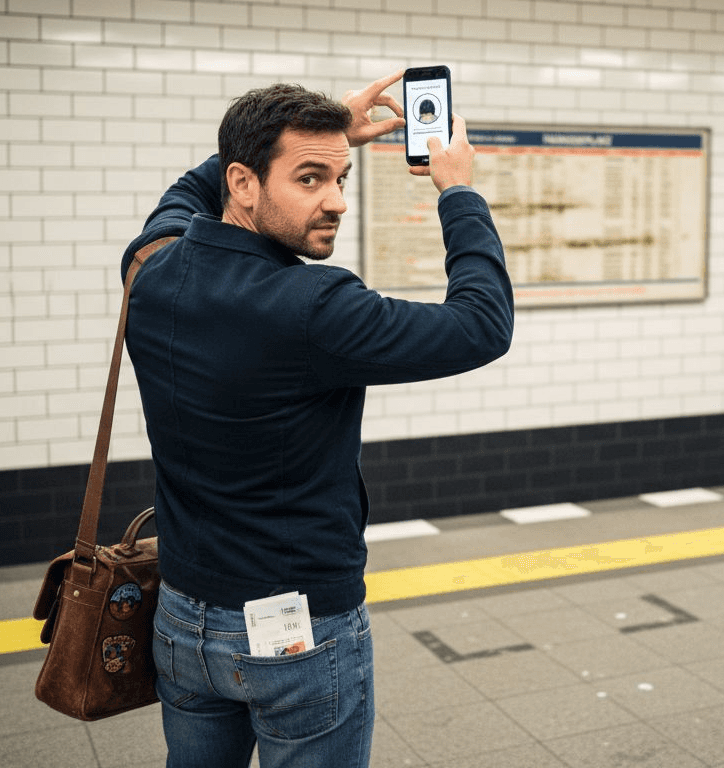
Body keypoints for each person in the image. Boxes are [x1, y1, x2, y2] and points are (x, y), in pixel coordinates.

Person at [120, 71, 514, 768]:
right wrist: (459, 191)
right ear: (244, 184)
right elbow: (481, 326)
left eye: (342, 178)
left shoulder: (151, 272)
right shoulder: (314, 307)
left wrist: (309, 142)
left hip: (181, 620)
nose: (334, 201)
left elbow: (180, 199)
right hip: (294, 633)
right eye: (309, 180)